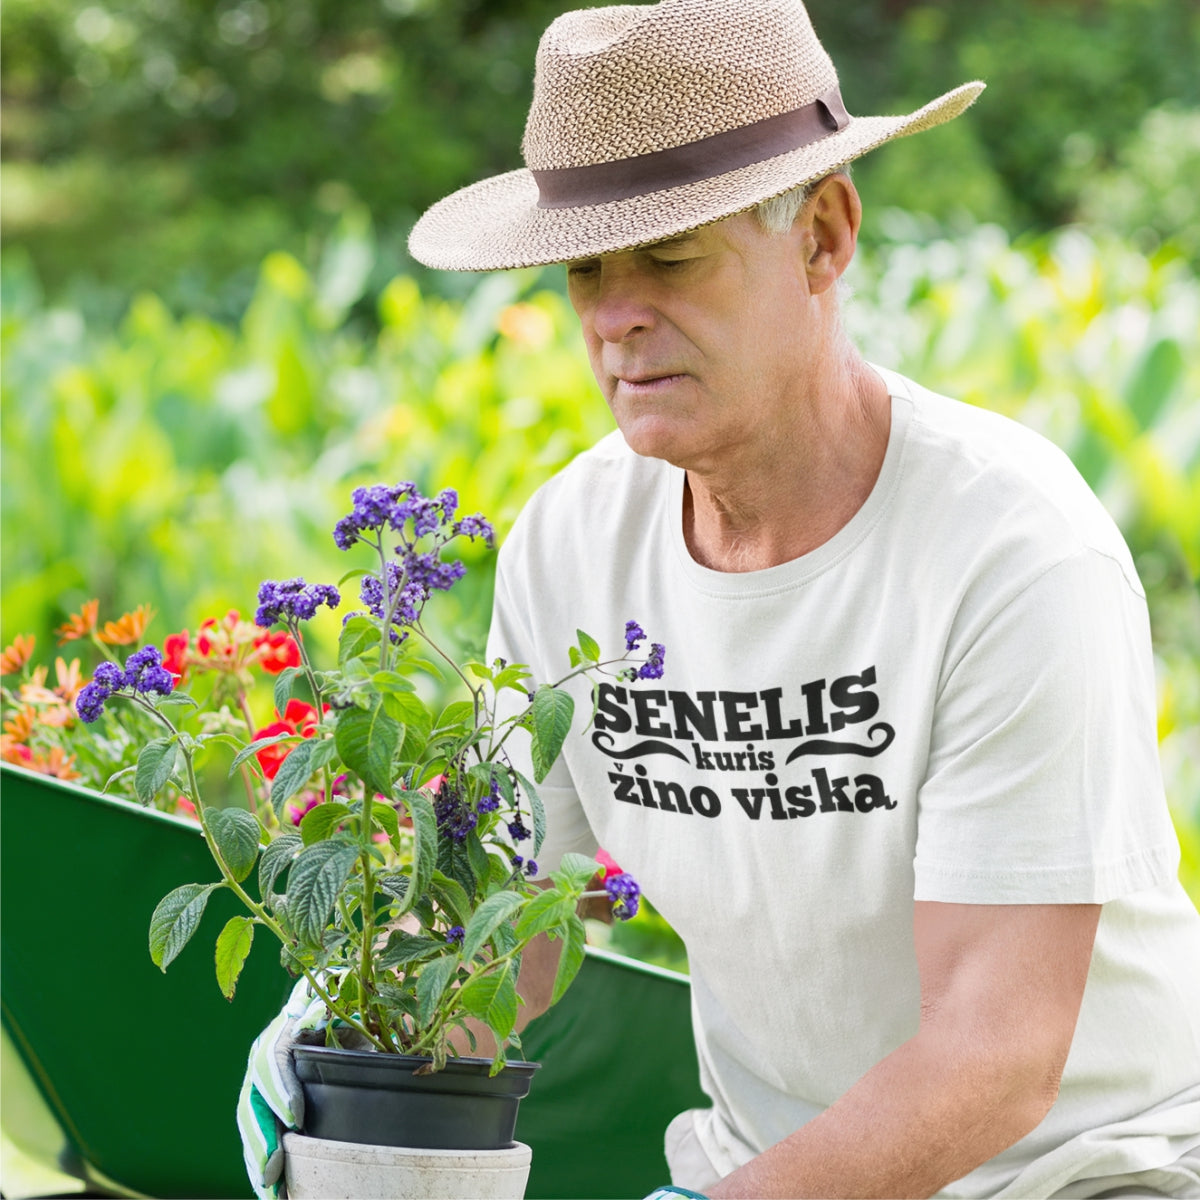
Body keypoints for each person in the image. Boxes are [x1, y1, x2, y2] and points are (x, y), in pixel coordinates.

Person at [245, 2, 1200, 1197]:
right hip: (760, 1170)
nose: (614, 316)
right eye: (587, 267)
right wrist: (356, 1044)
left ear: (823, 237)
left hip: (1085, 1175)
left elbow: (995, 1058)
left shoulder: (1008, 552)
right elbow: (522, 917)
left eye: (671, 257)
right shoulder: (573, 542)